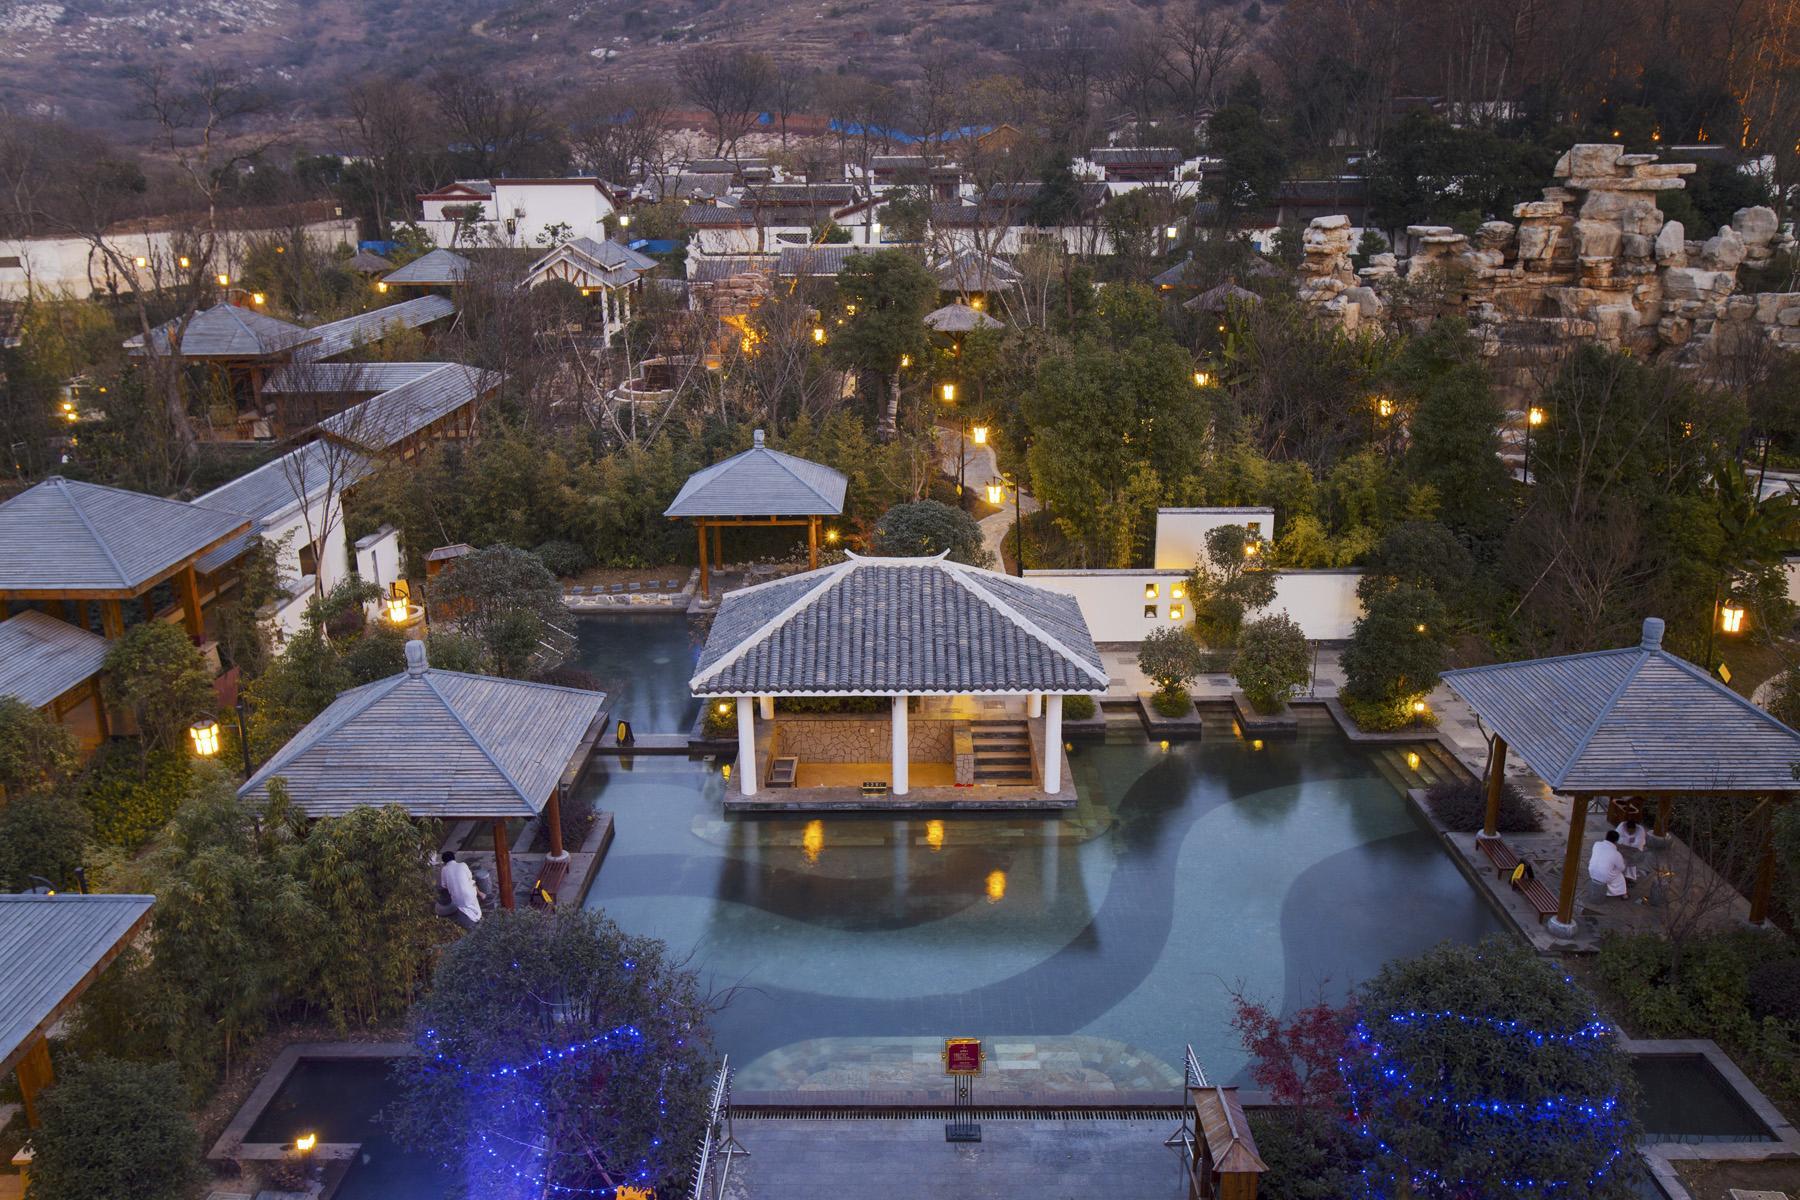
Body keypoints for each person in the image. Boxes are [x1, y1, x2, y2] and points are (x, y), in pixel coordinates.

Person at [436, 850, 484, 930]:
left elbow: (443, 885)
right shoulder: (463, 865)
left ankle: (471, 919)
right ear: (454, 858)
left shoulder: (444, 869)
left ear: (444, 861)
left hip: (457, 900)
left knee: (463, 901)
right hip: (469, 895)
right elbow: (469, 877)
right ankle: (481, 896)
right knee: (471, 883)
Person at [1588, 830, 1629, 898]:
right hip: (1604, 877)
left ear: (1606, 836)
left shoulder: (1596, 844)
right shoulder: (1616, 854)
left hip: (1591, 872)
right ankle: (1623, 894)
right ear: (1616, 841)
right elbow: (1622, 868)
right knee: (1620, 876)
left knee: (1609, 868)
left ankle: (1607, 888)